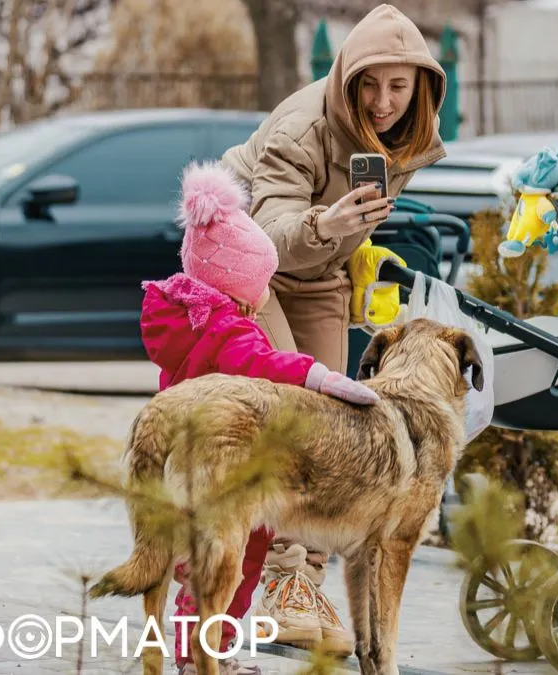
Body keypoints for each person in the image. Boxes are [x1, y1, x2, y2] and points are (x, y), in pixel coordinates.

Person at [217, 3, 448, 658]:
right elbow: (266, 232)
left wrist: (355, 252)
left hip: (317, 269)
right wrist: (327, 226)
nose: (381, 102)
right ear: (347, 78)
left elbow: (350, 220)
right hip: (246, 258)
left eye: (398, 87)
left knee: (338, 425)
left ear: (421, 88)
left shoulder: (402, 139)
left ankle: (305, 581)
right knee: (291, 413)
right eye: (369, 85)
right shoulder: (300, 128)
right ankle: (282, 584)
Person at [139, 161, 379, 675]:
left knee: (199, 561)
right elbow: (267, 365)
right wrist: (323, 377)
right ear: (237, 280)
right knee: (238, 561)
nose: (265, 293)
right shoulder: (227, 328)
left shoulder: (184, 313)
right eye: (261, 282)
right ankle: (204, 657)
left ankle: (194, 654)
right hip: (229, 460)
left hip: (187, 456)